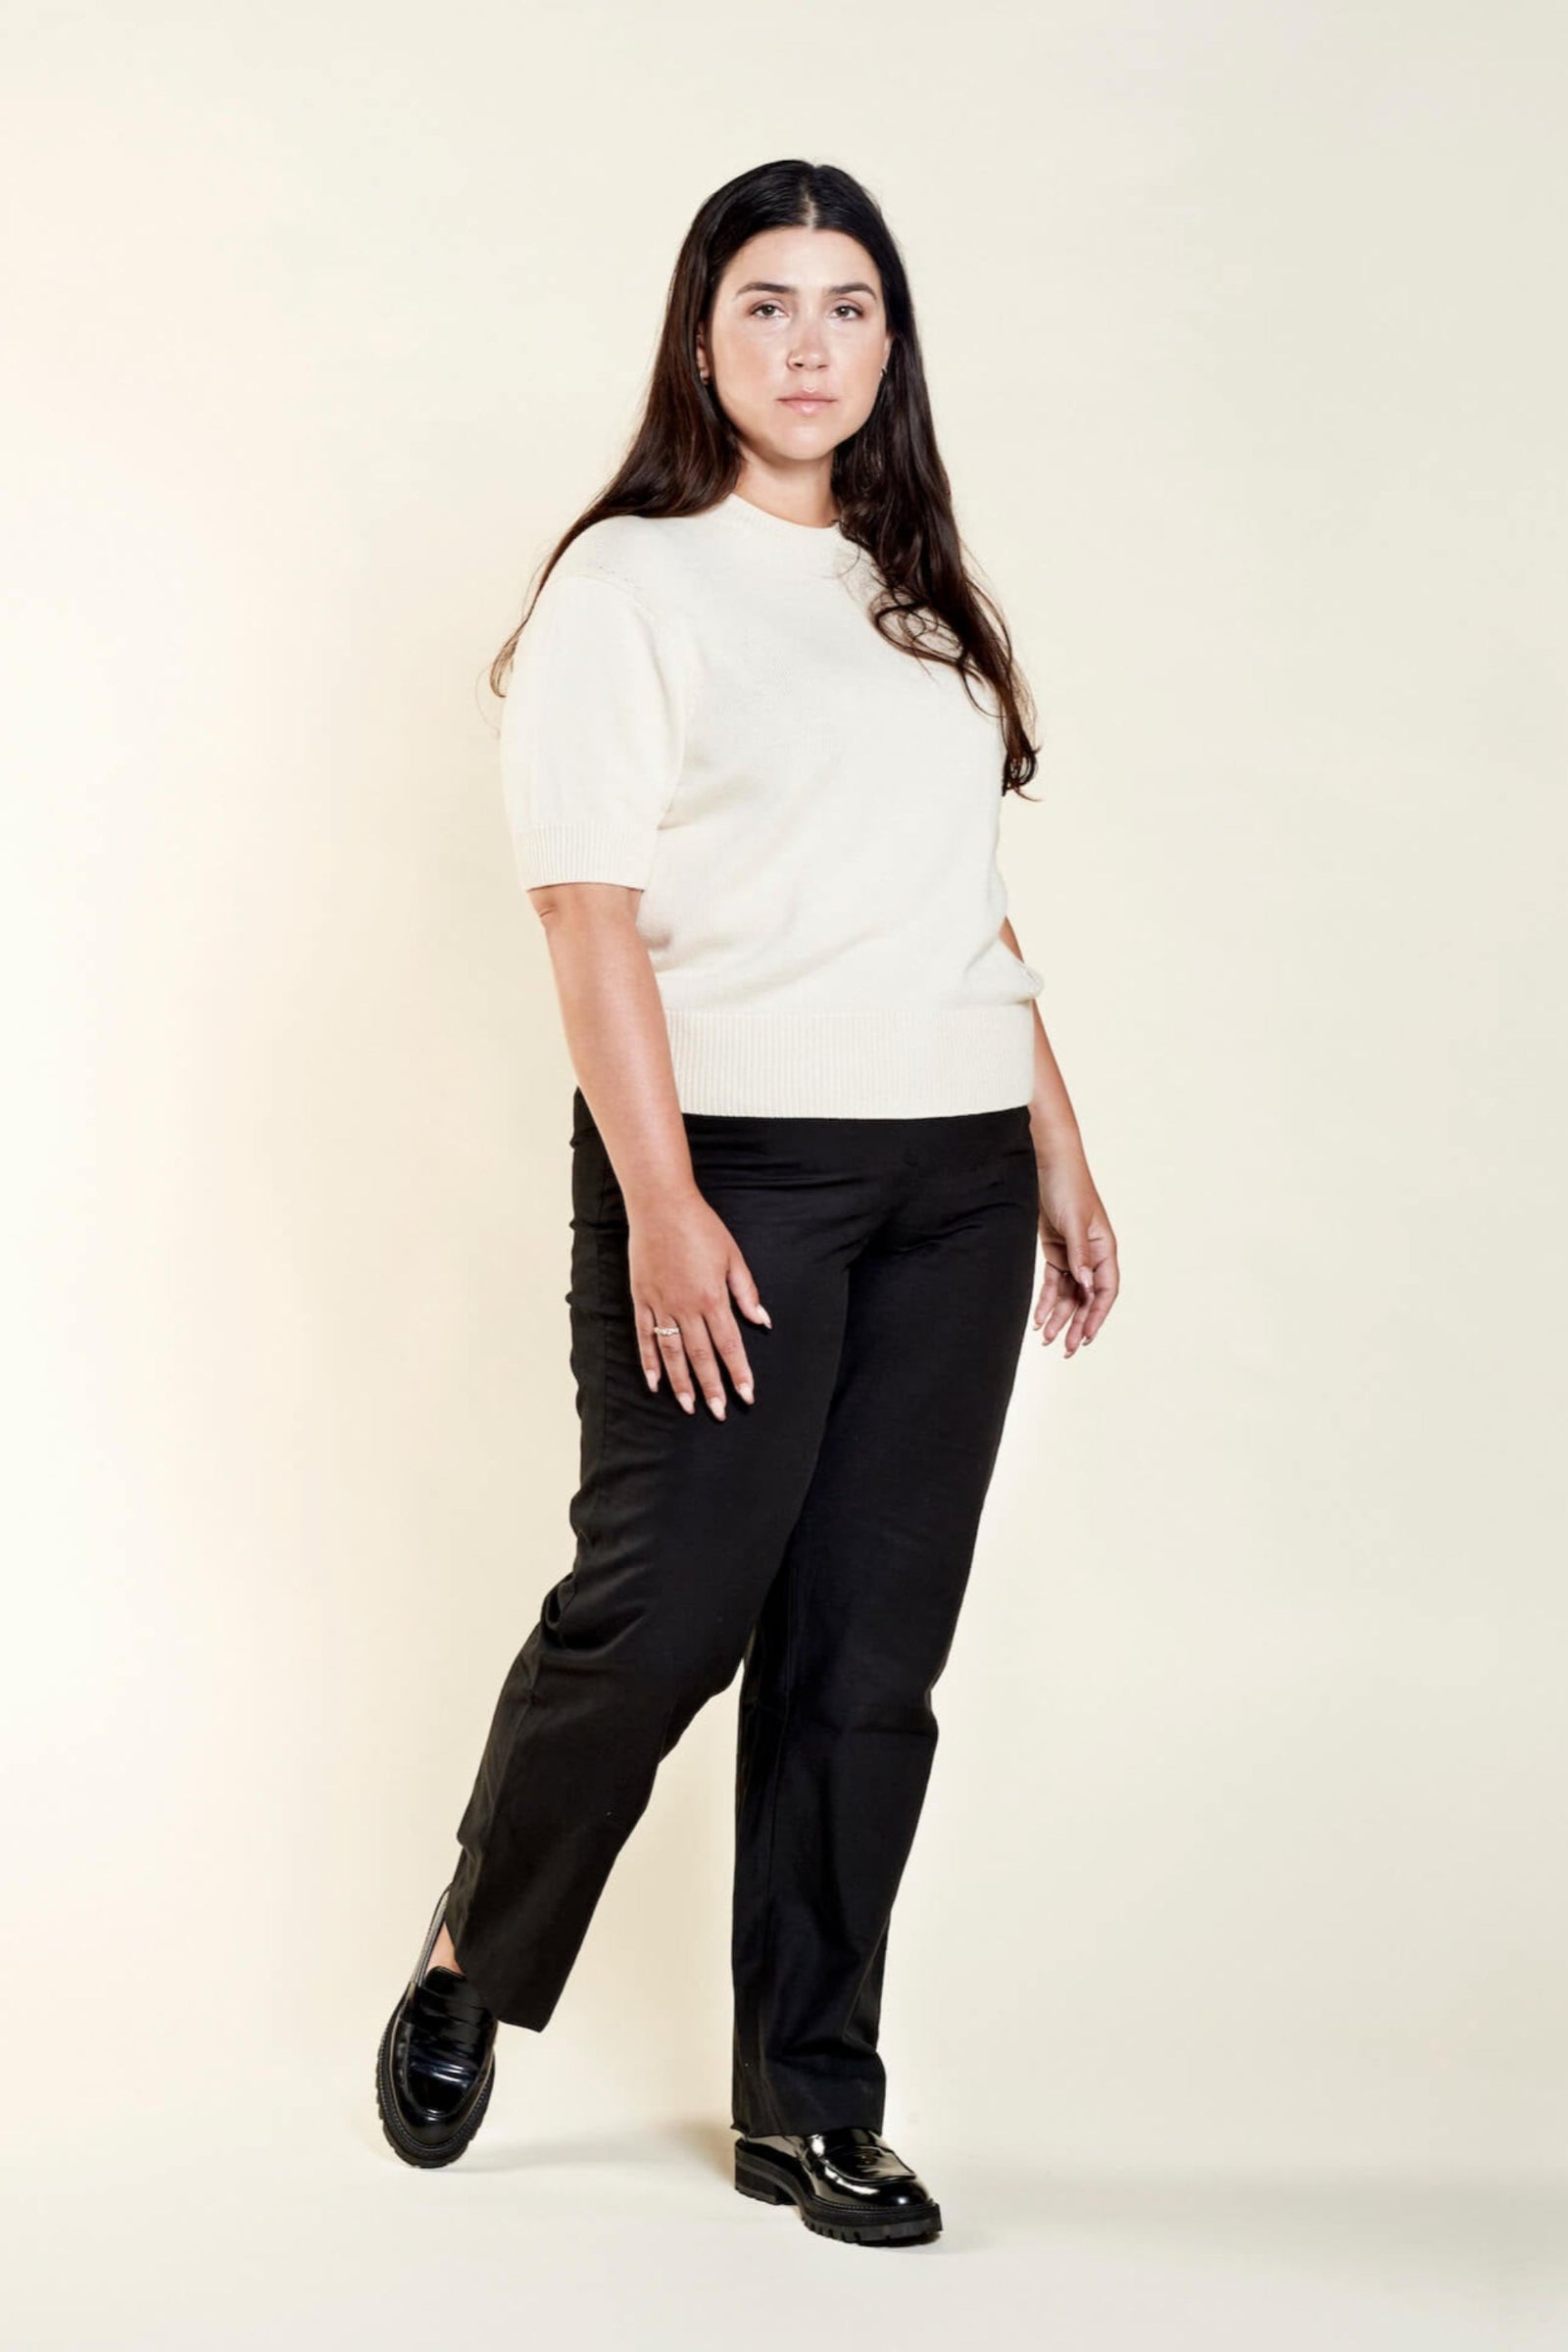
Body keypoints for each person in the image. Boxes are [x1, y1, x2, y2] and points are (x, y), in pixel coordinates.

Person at [375, 157, 1119, 2247]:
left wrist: (1050, 1133)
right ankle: (470, 1963)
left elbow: (951, 905)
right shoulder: (631, 585)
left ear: (891, 347)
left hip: (953, 1180)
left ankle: (810, 2097)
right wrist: (666, 1200)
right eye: (768, 305)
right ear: (701, 338)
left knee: (865, 1659)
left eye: (849, 307)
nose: (811, 345)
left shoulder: (916, 599)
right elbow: (586, 917)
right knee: (661, 1616)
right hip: (741, 1177)